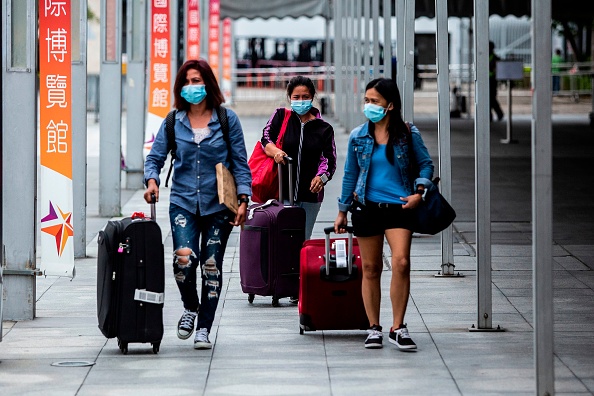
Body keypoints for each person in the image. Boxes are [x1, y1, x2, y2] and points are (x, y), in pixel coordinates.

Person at [143, 59, 252, 350]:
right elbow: (154, 158)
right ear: (181, 87)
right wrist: (151, 181)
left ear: (209, 84)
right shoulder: (172, 121)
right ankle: (191, 307)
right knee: (184, 261)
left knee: (212, 266)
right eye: (188, 82)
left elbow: (240, 163)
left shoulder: (227, 120)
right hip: (183, 203)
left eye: (198, 81)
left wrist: (244, 199)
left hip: (220, 207)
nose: (193, 87)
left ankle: (204, 327)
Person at [334, 78, 434, 350]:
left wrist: (420, 190)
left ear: (390, 105)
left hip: (400, 208)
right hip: (367, 208)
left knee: (401, 262)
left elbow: (425, 164)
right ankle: (373, 327)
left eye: (374, 101)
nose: (368, 105)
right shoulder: (358, 136)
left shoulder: (407, 134)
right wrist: (342, 210)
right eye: (366, 100)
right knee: (370, 268)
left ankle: (398, 327)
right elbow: (349, 175)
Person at [260, 75, 337, 241]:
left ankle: (301, 268)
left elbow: (329, 161)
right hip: (281, 192)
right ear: (289, 98)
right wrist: (276, 152)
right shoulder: (281, 117)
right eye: (296, 97)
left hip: (311, 197)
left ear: (312, 97)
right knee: (281, 240)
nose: (301, 101)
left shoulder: (324, 129)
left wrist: (321, 178)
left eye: (305, 97)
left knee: (302, 240)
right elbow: (266, 138)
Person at [489, 41, 504, 121]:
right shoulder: (484, 57)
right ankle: (492, 115)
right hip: (485, 81)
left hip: (492, 81)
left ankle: (498, 114)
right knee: (489, 99)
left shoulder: (495, 58)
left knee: (491, 98)